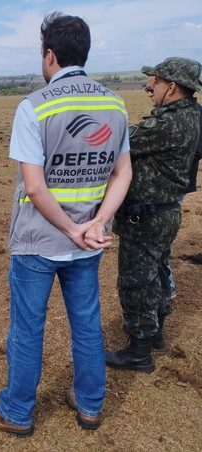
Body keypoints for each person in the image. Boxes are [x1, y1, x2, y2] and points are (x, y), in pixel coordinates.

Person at [0, 12, 132, 436]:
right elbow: (123, 173)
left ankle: (17, 411)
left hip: (38, 242)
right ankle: (90, 404)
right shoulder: (114, 104)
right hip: (88, 243)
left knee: (27, 327)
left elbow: (36, 189)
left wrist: (71, 228)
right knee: (87, 323)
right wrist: (96, 222)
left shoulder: (34, 107)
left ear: (50, 55)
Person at [106, 58, 201, 372]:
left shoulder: (169, 123)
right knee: (157, 272)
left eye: (155, 82)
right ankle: (155, 332)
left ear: (172, 87)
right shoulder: (194, 117)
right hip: (166, 212)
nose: (149, 87)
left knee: (136, 281)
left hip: (146, 217)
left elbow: (121, 140)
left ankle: (139, 351)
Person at [165, 101, 202, 299]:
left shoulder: (192, 114)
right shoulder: (178, 112)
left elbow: (198, 149)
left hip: (177, 183)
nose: (149, 89)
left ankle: (167, 285)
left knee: (161, 236)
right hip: (174, 182)